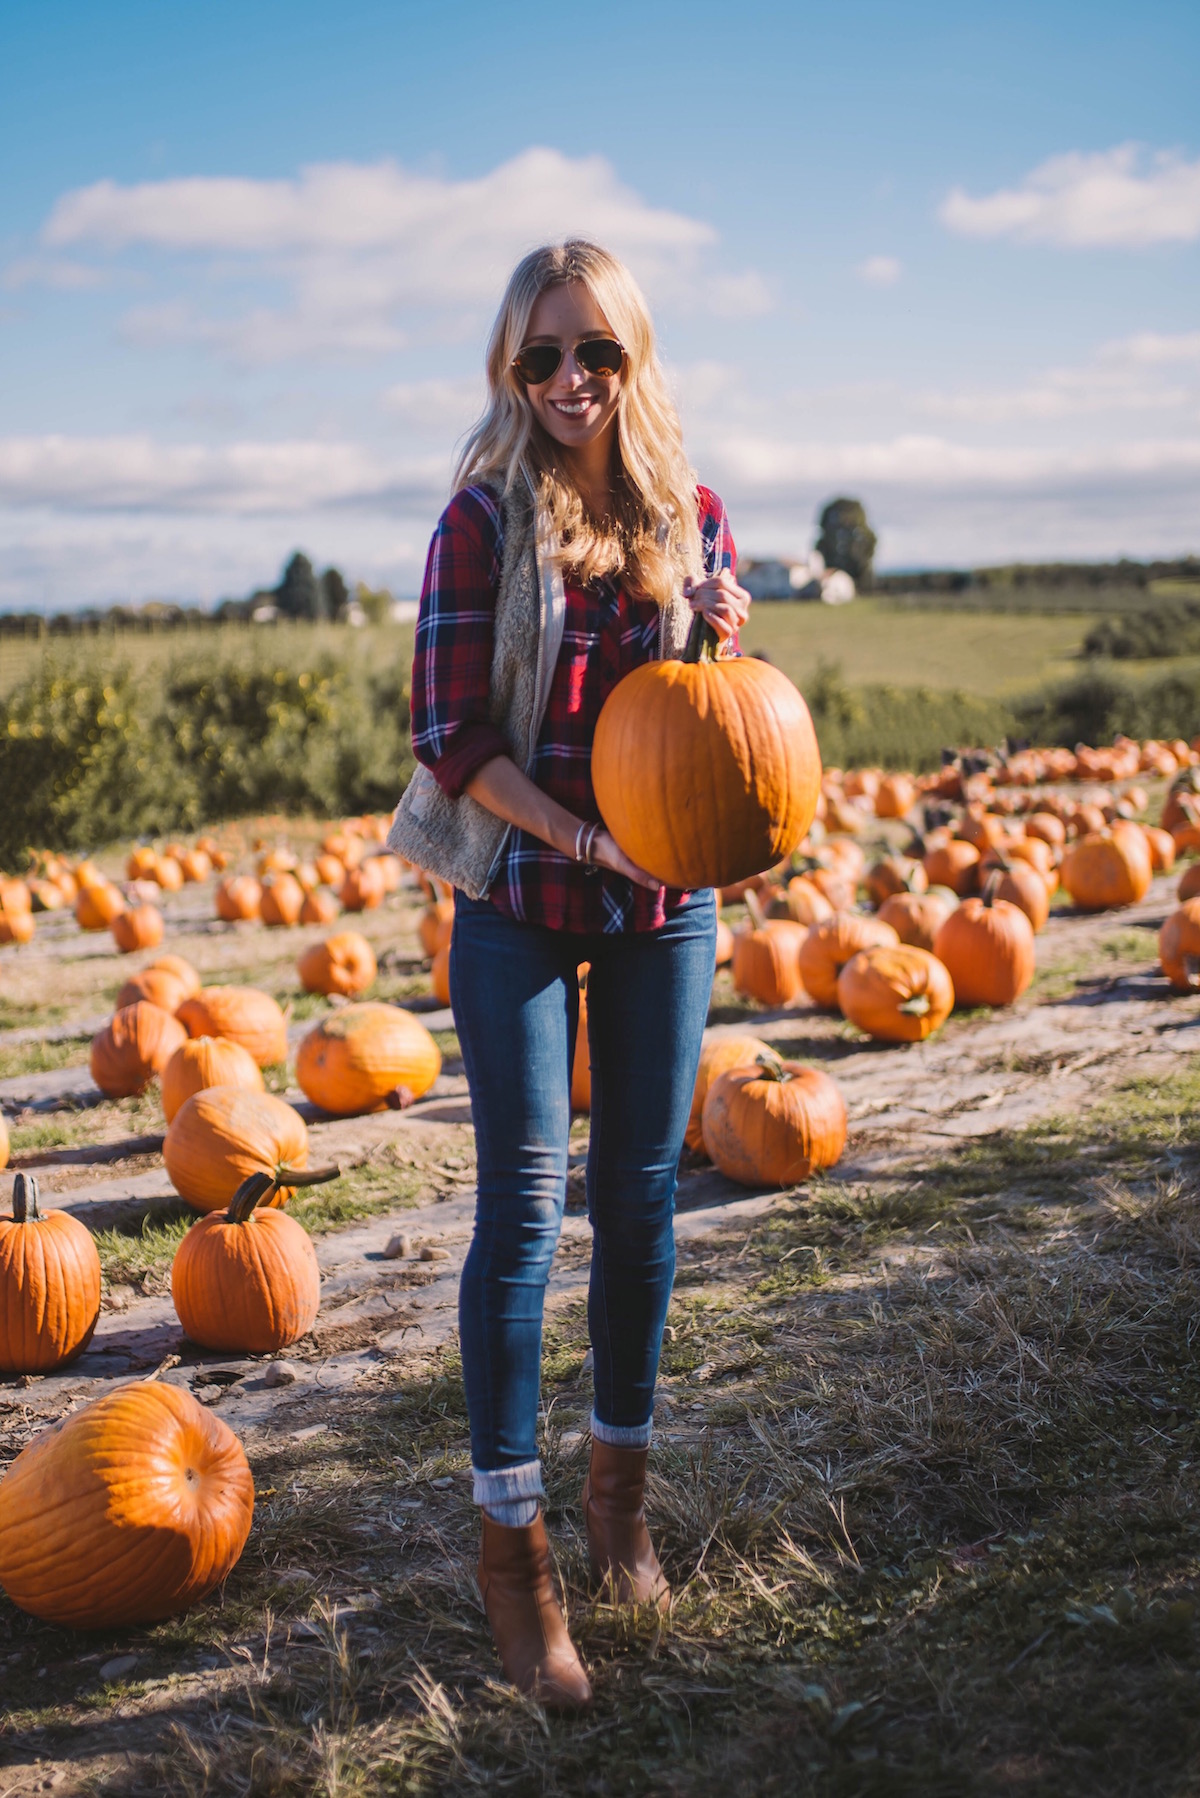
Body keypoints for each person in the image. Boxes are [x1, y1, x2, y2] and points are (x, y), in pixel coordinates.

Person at [391, 239, 752, 1709]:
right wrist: (582, 837)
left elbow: (707, 723)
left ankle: (620, 1501)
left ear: (634, 357)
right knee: (527, 1207)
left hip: (667, 899)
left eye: (595, 351)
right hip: (528, 900)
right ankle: (514, 1553)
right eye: (542, 357)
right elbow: (452, 738)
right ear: (510, 369)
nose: (569, 381)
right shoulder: (480, 525)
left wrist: (732, 640)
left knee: (643, 1196)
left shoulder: (694, 515)